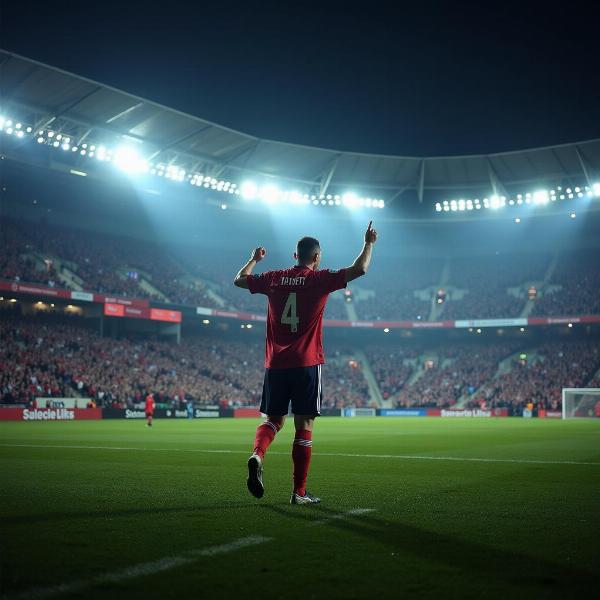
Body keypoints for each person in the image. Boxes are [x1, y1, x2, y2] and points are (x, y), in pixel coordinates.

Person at [234, 221, 378, 504]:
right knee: (304, 426)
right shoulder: (319, 279)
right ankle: (298, 493)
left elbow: (239, 279)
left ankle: (257, 455)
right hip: (307, 362)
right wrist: (369, 243)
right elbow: (359, 269)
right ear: (316, 257)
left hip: (275, 364)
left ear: (294, 256)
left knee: (273, 420)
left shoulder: (274, 278)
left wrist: (253, 259)